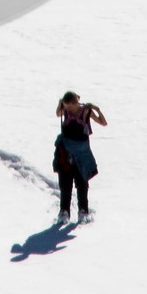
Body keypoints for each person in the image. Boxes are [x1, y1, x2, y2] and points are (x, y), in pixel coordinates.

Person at [52, 90, 107, 224]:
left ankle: (83, 210)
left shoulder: (86, 111)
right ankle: (64, 211)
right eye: (66, 105)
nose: (69, 108)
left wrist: (97, 110)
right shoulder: (64, 109)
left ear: (75, 102)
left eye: (70, 105)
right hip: (66, 152)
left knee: (82, 182)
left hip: (82, 153)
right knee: (65, 183)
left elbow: (103, 122)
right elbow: (58, 113)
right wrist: (60, 104)